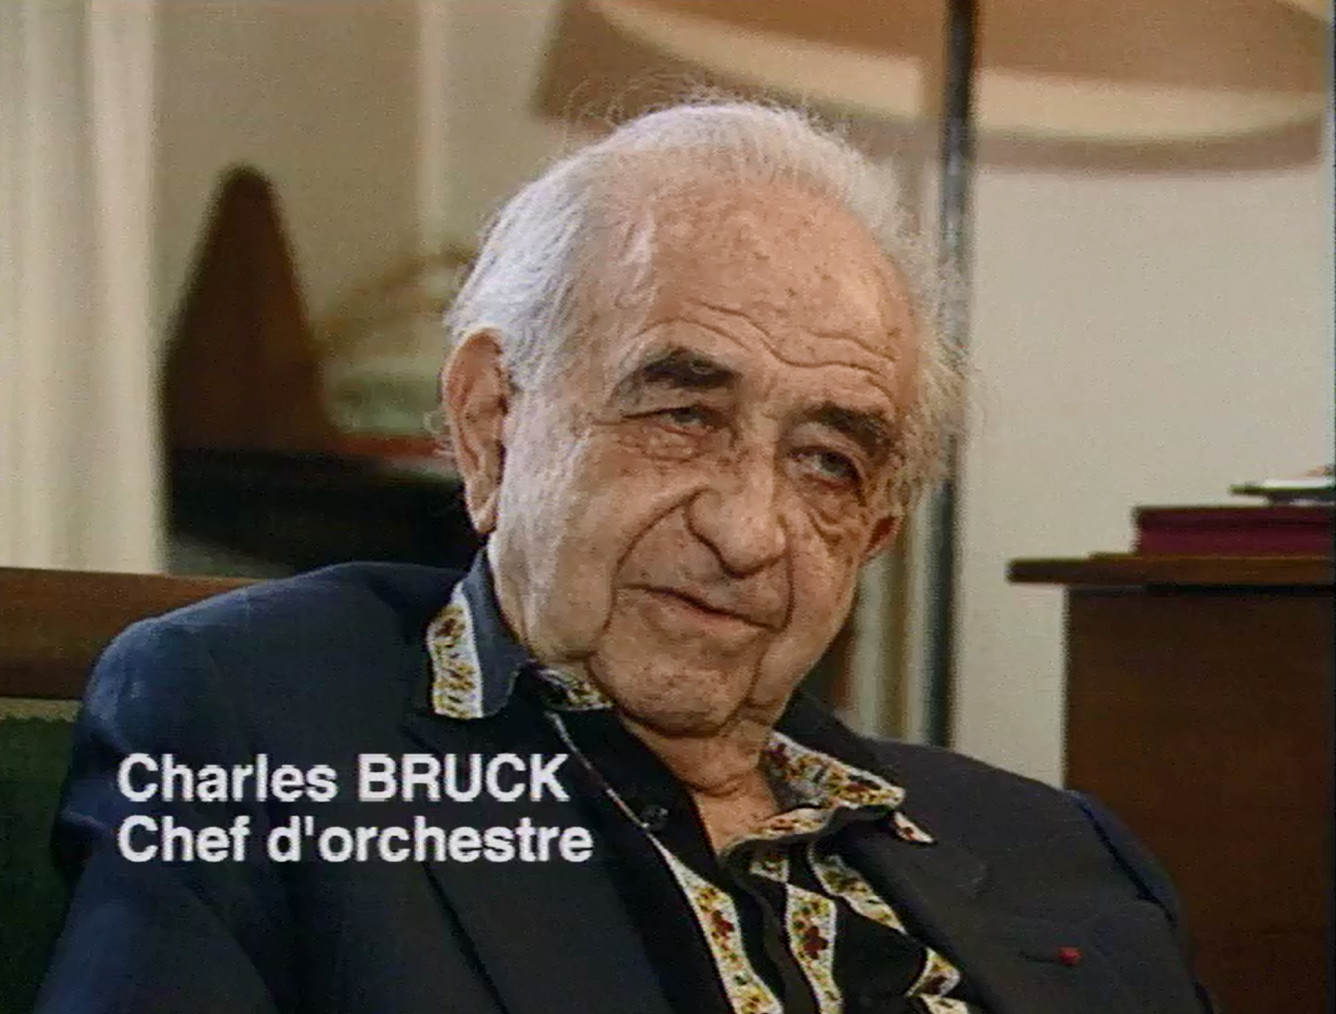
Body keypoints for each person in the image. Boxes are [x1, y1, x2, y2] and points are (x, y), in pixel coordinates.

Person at [37, 101, 1211, 1014]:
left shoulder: (1062, 852)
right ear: (492, 423)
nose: (746, 533)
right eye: (682, 415)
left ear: (873, 536)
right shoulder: (260, 718)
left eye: (826, 463)